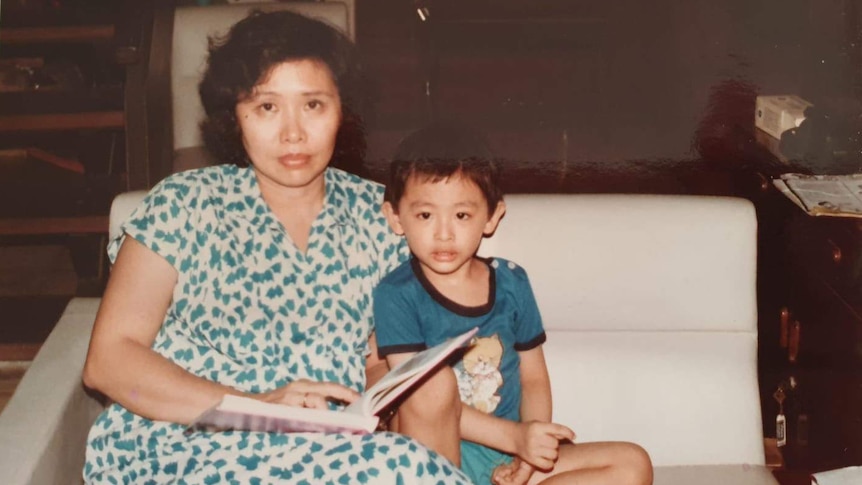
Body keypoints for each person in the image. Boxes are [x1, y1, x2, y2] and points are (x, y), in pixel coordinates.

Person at [81, 11, 471, 483]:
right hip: (186, 443)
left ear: (342, 110)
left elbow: (377, 355)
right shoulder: (183, 203)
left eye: (313, 105)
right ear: (235, 115)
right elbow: (109, 361)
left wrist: (377, 400)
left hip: (330, 450)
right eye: (267, 107)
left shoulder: (382, 215)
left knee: (403, 461)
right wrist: (258, 407)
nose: (293, 133)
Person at [373, 121, 654, 485]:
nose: (443, 233)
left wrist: (532, 453)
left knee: (632, 464)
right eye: (425, 215)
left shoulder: (511, 282)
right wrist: (516, 439)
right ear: (396, 218)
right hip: (439, 456)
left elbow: (534, 378)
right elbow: (417, 398)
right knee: (430, 389)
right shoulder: (396, 294)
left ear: (491, 217)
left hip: (508, 454)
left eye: (461, 215)